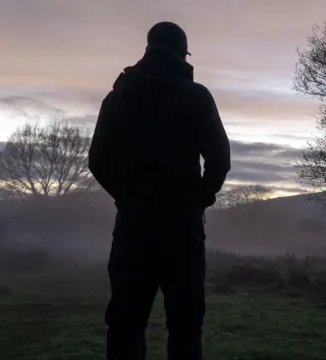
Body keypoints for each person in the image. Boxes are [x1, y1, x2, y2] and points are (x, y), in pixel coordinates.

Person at [88, 21, 231, 360]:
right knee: (185, 324)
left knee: (125, 322)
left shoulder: (118, 96)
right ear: (183, 54)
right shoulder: (196, 96)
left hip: (133, 224)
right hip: (182, 228)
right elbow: (219, 159)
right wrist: (199, 199)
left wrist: (126, 195)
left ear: (147, 49)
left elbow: (97, 160)